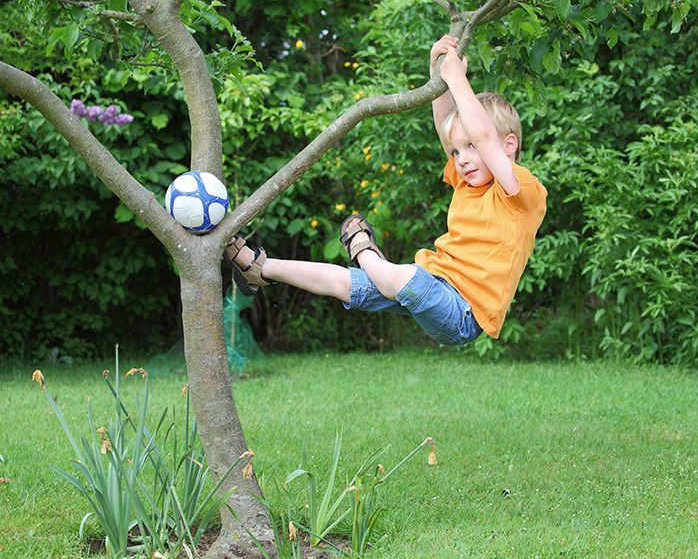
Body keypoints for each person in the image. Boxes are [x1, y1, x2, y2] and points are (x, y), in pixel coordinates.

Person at [225, 34, 547, 345]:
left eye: (472, 147)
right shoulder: (467, 181)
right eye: (456, 152)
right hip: (432, 282)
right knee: (347, 284)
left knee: (407, 278)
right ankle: (257, 267)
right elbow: (447, 123)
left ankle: (364, 253)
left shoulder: (521, 193)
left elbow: (485, 137)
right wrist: (437, 69)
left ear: (508, 145)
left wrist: (457, 78)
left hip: (461, 314)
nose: (462, 160)